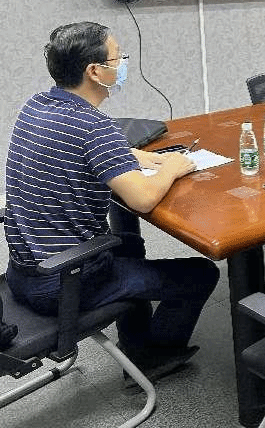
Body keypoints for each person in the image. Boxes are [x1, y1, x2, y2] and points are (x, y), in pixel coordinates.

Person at [4, 22, 218, 384]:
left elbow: (72, 148)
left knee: (129, 243)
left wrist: (131, 155)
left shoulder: (36, 106)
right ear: (94, 71)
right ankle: (150, 360)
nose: (123, 64)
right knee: (201, 274)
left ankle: (136, 341)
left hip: (23, 272)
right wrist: (172, 167)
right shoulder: (95, 126)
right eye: (118, 58)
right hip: (64, 284)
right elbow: (143, 199)